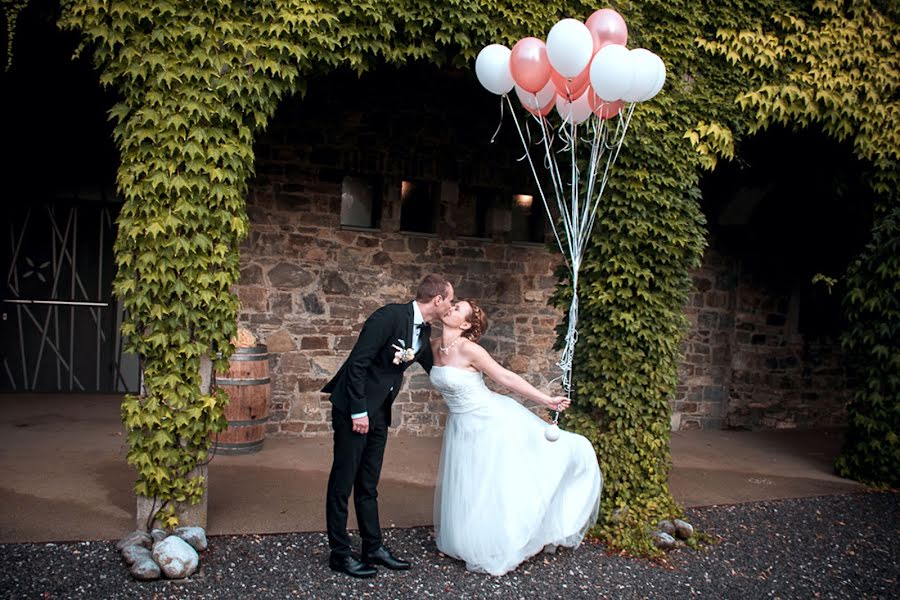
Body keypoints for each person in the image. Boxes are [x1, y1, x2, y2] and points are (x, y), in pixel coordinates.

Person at [429, 299, 602, 576]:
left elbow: (505, 378)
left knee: (492, 484)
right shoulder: (434, 345)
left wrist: (547, 400)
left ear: (465, 324)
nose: (451, 308)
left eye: (458, 308)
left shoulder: (470, 349)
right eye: (454, 303)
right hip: (461, 425)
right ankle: (466, 539)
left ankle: (499, 541)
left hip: (489, 421)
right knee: (468, 483)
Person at [321, 274, 454, 578]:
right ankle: (339, 554)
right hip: (352, 409)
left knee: (368, 482)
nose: (450, 305)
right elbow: (357, 364)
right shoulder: (388, 317)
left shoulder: (425, 330)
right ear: (437, 300)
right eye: (450, 299)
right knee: (343, 482)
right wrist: (358, 413)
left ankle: (373, 547)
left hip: (380, 411)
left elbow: (437, 369)